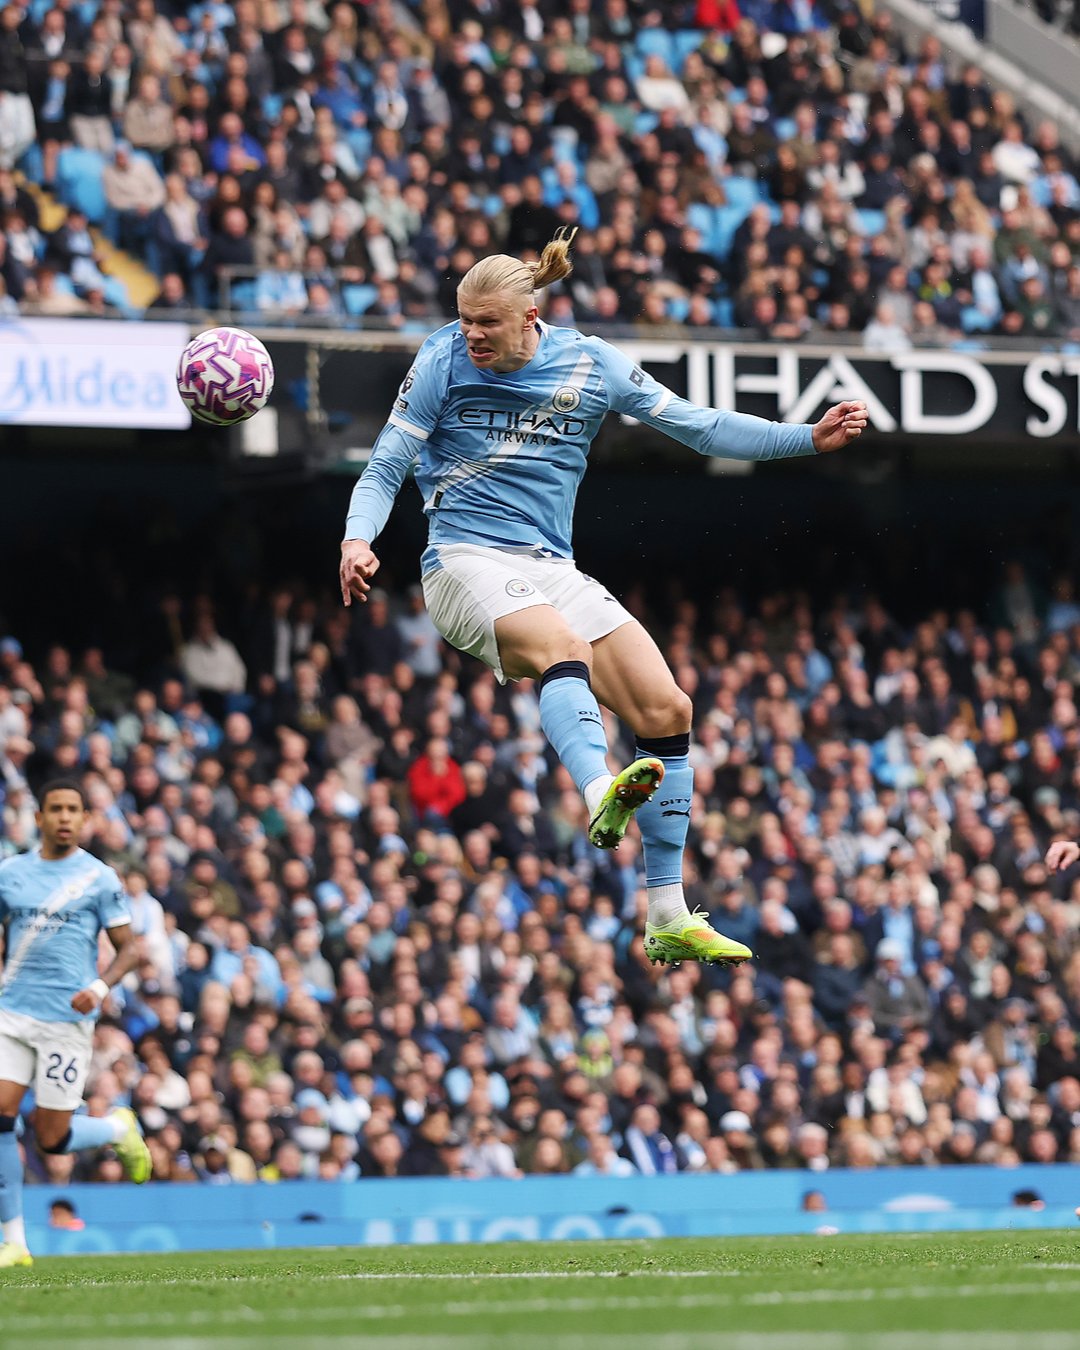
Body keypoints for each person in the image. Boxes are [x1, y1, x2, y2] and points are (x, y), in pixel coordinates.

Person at [339, 229, 868, 968]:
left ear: (529, 317)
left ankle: (667, 914)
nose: (471, 334)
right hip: (462, 560)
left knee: (668, 709)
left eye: (487, 322)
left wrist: (806, 438)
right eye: (464, 319)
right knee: (564, 647)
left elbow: (701, 427)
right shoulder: (441, 360)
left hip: (550, 566)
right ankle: (599, 794)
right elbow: (386, 463)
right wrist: (357, 539)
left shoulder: (591, 363)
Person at [0, 780, 152, 1270]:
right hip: (12, 1014)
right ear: (39, 818)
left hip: (66, 1021)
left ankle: (116, 1128)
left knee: (51, 1139)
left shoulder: (100, 878)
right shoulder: (10, 874)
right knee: (0, 1114)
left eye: (73, 810)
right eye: (56, 809)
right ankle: (14, 1241)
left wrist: (101, 988)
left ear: (85, 818)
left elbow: (130, 949)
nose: (64, 817)